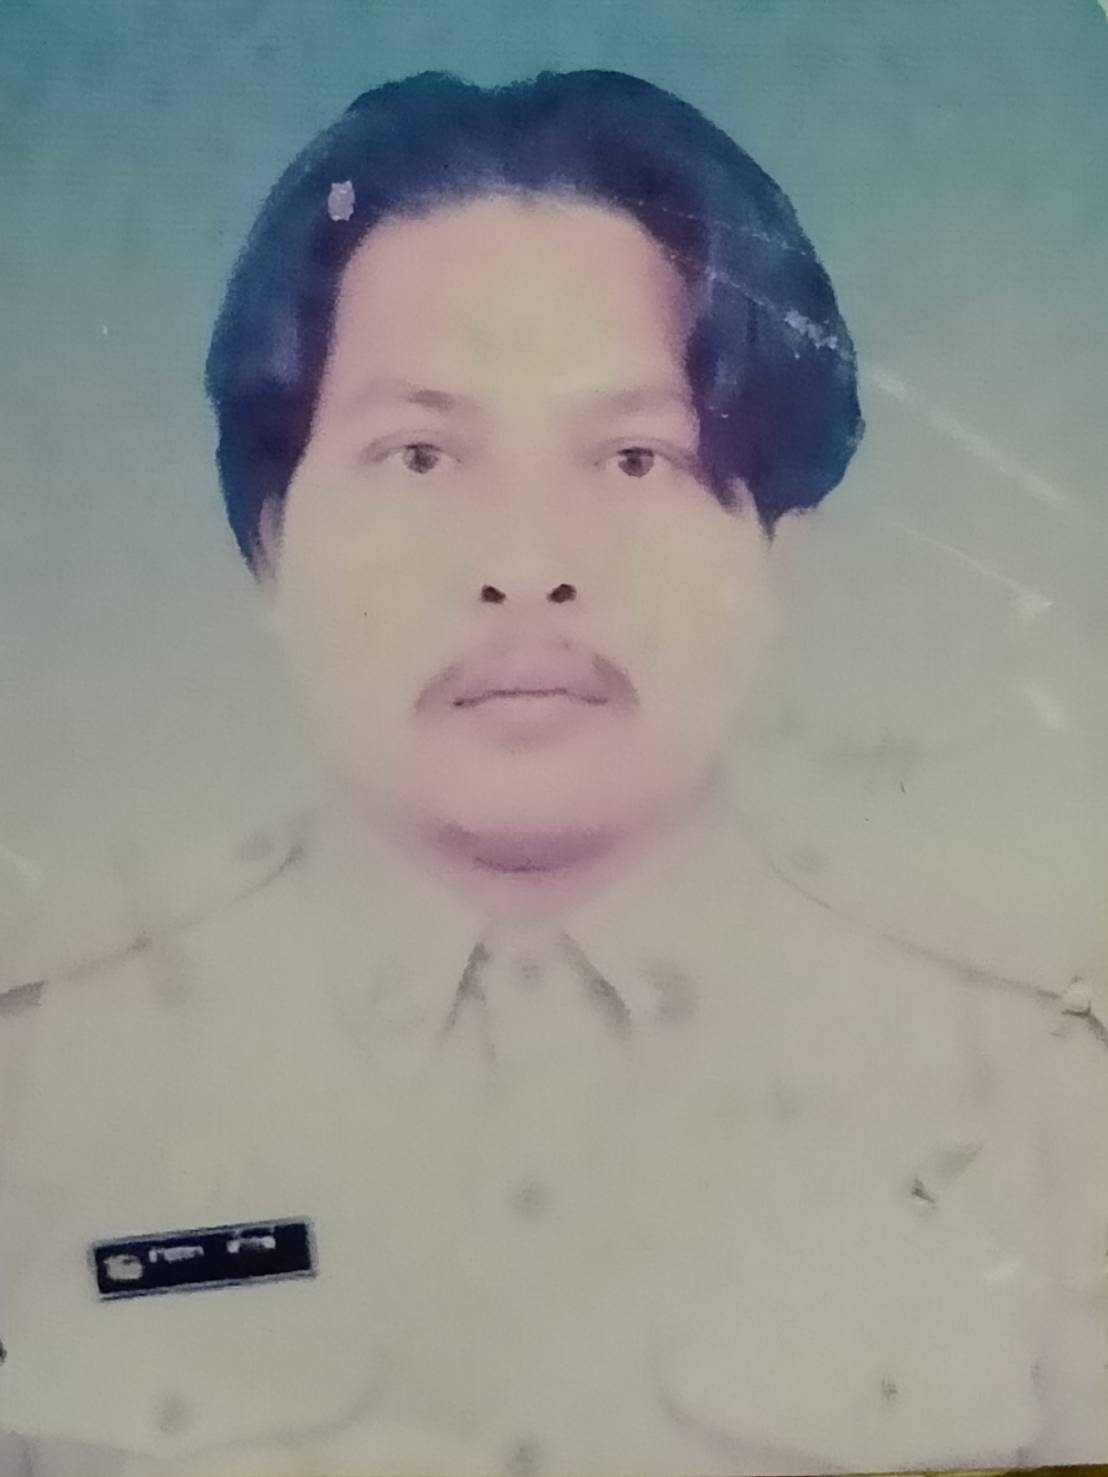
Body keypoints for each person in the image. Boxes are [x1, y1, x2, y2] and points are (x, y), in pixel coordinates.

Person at [1, 69, 1104, 1477]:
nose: (527, 564)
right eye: (420, 454)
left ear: (777, 554)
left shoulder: (1034, 1084)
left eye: (635, 458)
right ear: (271, 541)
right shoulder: (40, 1074)